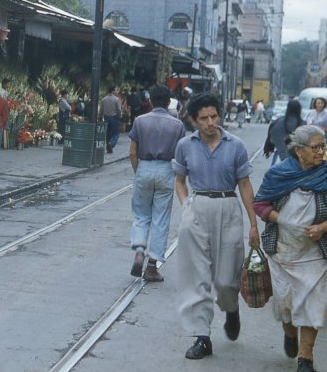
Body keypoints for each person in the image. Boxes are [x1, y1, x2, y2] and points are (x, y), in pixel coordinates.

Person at [172, 92, 259, 360]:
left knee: (225, 279)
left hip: (228, 207)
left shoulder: (236, 145)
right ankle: (202, 336)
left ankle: (231, 309)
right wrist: (187, 206)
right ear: (194, 120)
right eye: (204, 118)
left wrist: (253, 223)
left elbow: (244, 185)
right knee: (197, 276)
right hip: (197, 209)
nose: (210, 122)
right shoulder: (185, 145)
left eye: (214, 116)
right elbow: (179, 180)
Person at [253, 125, 327, 372]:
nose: (321, 152)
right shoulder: (278, 174)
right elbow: (260, 203)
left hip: (314, 253)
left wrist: (323, 227)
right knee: (285, 306)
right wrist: (279, 218)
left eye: (323, 146)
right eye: (315, 147)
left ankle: (305, 359)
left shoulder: (326, 173)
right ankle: (289, 332)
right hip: (283, 253)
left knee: (314, 305)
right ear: (299, 151)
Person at [128, 85, 186, 282]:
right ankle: (152, 267)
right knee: (161, 218)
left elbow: (132, 152)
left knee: (141, 215)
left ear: (150, 100)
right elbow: (180, 155)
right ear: (169, 101)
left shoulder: (140, 121)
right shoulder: (177, 125)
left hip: (144, 167)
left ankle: (138, 251)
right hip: (166, 170)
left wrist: (139, 172)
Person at [264, 100, 304, 164]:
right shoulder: (304, 124)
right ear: (299, 109)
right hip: (300, 161)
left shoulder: (277, 122)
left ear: (287, 108)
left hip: (279, 159)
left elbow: (271, 140)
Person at [100, 85, 122, 154]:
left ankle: (108, 146)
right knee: (115, 133)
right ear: (113, 91)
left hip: (106, 117)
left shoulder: (103, 99)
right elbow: (118, 110)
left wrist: (99, 117)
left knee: (108, 133)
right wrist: (120, 116)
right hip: (114, 118)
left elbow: (101, 110)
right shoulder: (116, 99)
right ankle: (111, 144)